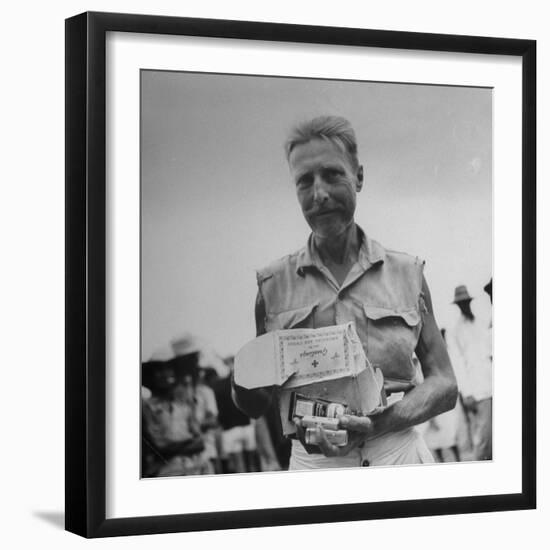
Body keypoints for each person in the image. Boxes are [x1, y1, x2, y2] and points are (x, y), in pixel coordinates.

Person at [232, 115, 457, 469]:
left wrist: (376, 425)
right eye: (304, 182)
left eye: (332, 174)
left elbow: (444, 383)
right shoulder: (272, 287)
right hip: (313, 467)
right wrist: (241, 382)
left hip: (396, 455)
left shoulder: (407, 273)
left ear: (359, 177)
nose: (319, 194)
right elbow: (255, 403)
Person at [447, 284, 492, 461]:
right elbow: (457, 365)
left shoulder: (481, 322)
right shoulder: (455, 331)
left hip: (492, 383)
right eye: (461, 303)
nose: (464, 305)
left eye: (466, 302)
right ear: (458, 305)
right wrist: (467, 393)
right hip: (478, 391)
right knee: (484, 438)